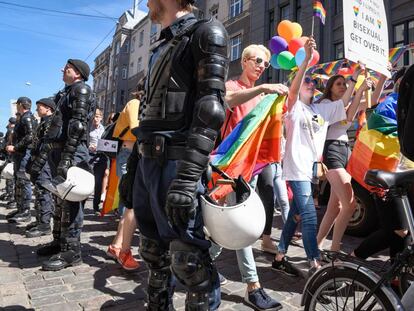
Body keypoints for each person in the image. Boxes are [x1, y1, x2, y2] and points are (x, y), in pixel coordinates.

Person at [120, 0, 228, 309]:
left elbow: (210, 111)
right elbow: (149, 117)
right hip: (148, 163)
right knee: (154, 253)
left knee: (189, 262)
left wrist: (187, 177)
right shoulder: (159, 47)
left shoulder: (206, 32)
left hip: (177, 163)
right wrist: (134, 169)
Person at [271, 38, 357, 273]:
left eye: (312, 81)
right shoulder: (294, 107)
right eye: (306, 81)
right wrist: (306, 60)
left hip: (311, 169)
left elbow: (345, 102)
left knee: (296, 214)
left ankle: (279, 257)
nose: (310, 83)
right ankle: (315, 264)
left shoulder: (320, 110)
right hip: (295, 167)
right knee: (309, 214)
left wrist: (355, 76)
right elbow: (295, 90)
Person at [213, 43, 287, 310]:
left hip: (253, 167)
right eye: (257, 61)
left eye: (265, 64)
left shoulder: (262, 97)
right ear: (244, 61)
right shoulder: (233, 86)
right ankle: (253, 286)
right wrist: (264, 88)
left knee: (232, 223)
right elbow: (228, 100)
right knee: (242, 224)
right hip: (232, 166)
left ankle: (201, 262)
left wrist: (299, 70)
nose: (261, 66)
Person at [29, 59, 95, 271]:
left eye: (67, 67)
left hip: (73, 151)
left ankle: (71, 250)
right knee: (60, 200)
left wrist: (67, 158)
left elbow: (77, 126)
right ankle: (59, 241)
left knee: (71, 202)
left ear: (77, 73)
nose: (62, 70)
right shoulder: (65, 93)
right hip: (60, 150)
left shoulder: (81, 90)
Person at [316, 66, 373, 252]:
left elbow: (353, 112)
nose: (342, 86)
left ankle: (316, 247)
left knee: (335, 206)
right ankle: (334, 250)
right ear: (330, 87)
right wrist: (354, 80)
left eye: (344, 83)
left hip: (345, 150)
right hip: (331, 150)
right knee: (349, 205)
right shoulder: (324, 104)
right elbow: (344, 107)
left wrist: (372, 84)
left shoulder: (343, 105)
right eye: (338, 84)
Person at [106, 82, 142, 271]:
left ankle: (116, 246)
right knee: (128, 201)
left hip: (135, 155)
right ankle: (120, 248)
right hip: (129, 155)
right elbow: (137, 128)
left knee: (130, 202)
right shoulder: (135, 104)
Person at [26, 97, 56, 238]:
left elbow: (47, 145)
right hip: (39, 159)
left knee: (44, 192)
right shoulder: (43, 122)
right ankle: (39, 220)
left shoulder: (51, 122)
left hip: (45, 162)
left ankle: (44, 225)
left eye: (39, 107)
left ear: (48, 108)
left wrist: (39, 162)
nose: (37, 110)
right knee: (38, 191)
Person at [6, 97, 37, 224]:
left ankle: (25, 211)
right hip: (20, 154)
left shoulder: (27, 117)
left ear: (20, 105)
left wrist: (16, 147)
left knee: (24, 182)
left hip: (24, 153)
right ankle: (20, 209)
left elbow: (30, 136)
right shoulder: (23, 117)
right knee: (18, 181)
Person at [89, 108, 107, 215]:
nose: (96, 119)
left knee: (98, 183)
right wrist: (89, 146)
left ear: (101, 118)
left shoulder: (104, 129)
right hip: (89, 156)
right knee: (88, 181)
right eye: (94, 116)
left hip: (101, 157)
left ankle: (96, 207)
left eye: (98, 116)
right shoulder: (88, 128)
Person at [0, 117, 17, 206]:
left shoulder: (13, 131)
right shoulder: (12, 131)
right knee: (10, 178)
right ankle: (11, 195)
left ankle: (12, 197)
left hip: (13, 157)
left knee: (12, 178)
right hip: (11, 156)